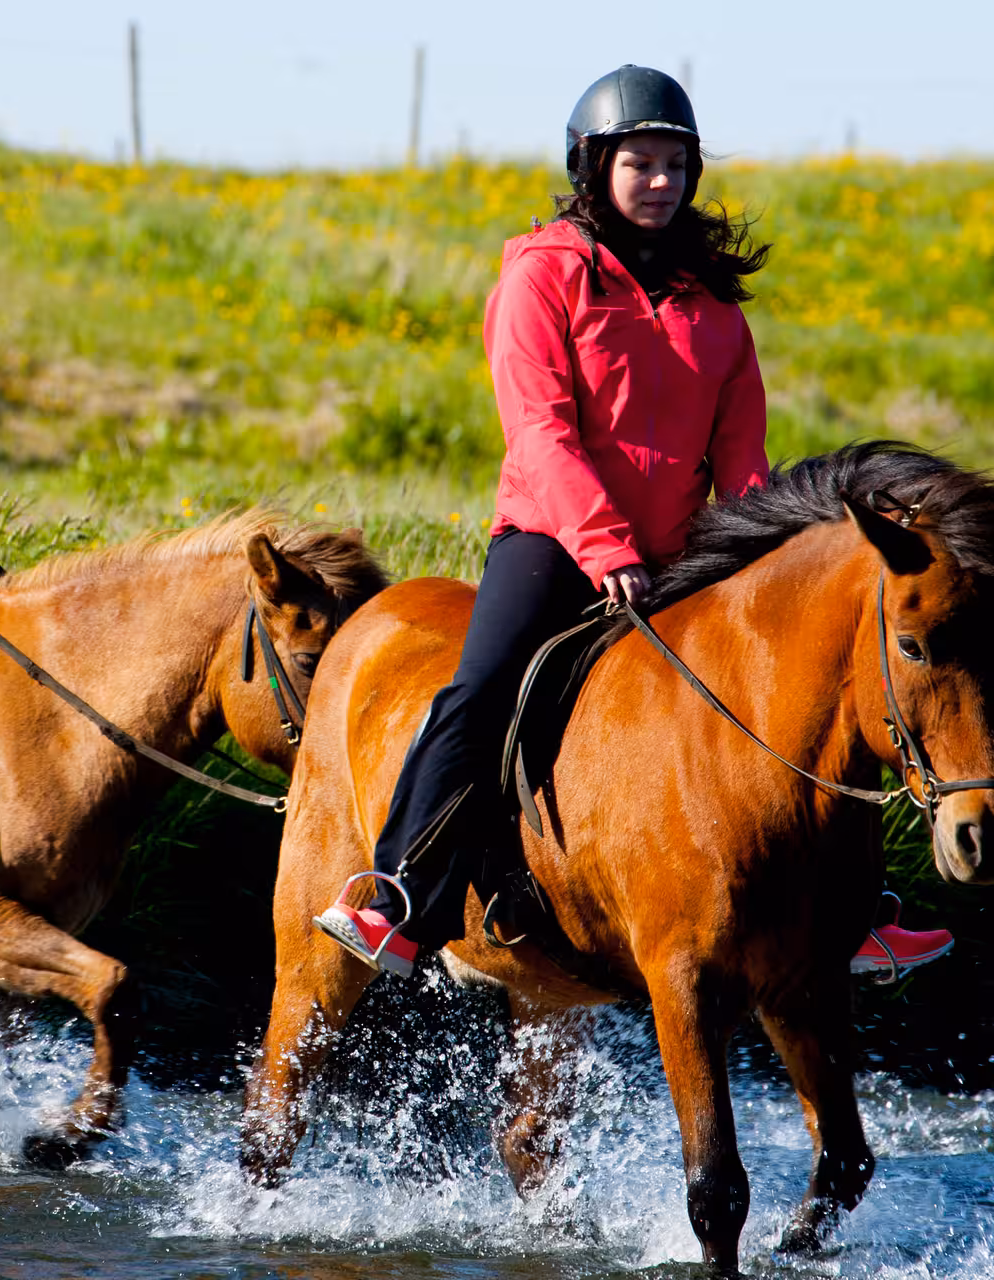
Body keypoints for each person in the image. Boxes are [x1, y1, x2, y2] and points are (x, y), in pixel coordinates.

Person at [312, 66, 953, 980]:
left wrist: (759, 557)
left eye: (676, 164)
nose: (660, 180)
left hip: (684, 552)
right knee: (484, 688)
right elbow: (539, 434)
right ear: (593, 165)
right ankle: (399, 900)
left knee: (818, 684)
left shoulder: (716, 308)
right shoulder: (542, 277)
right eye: (640, 162)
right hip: (552, 539)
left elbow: (743, 463)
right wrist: (605, 545)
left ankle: (854, 916)